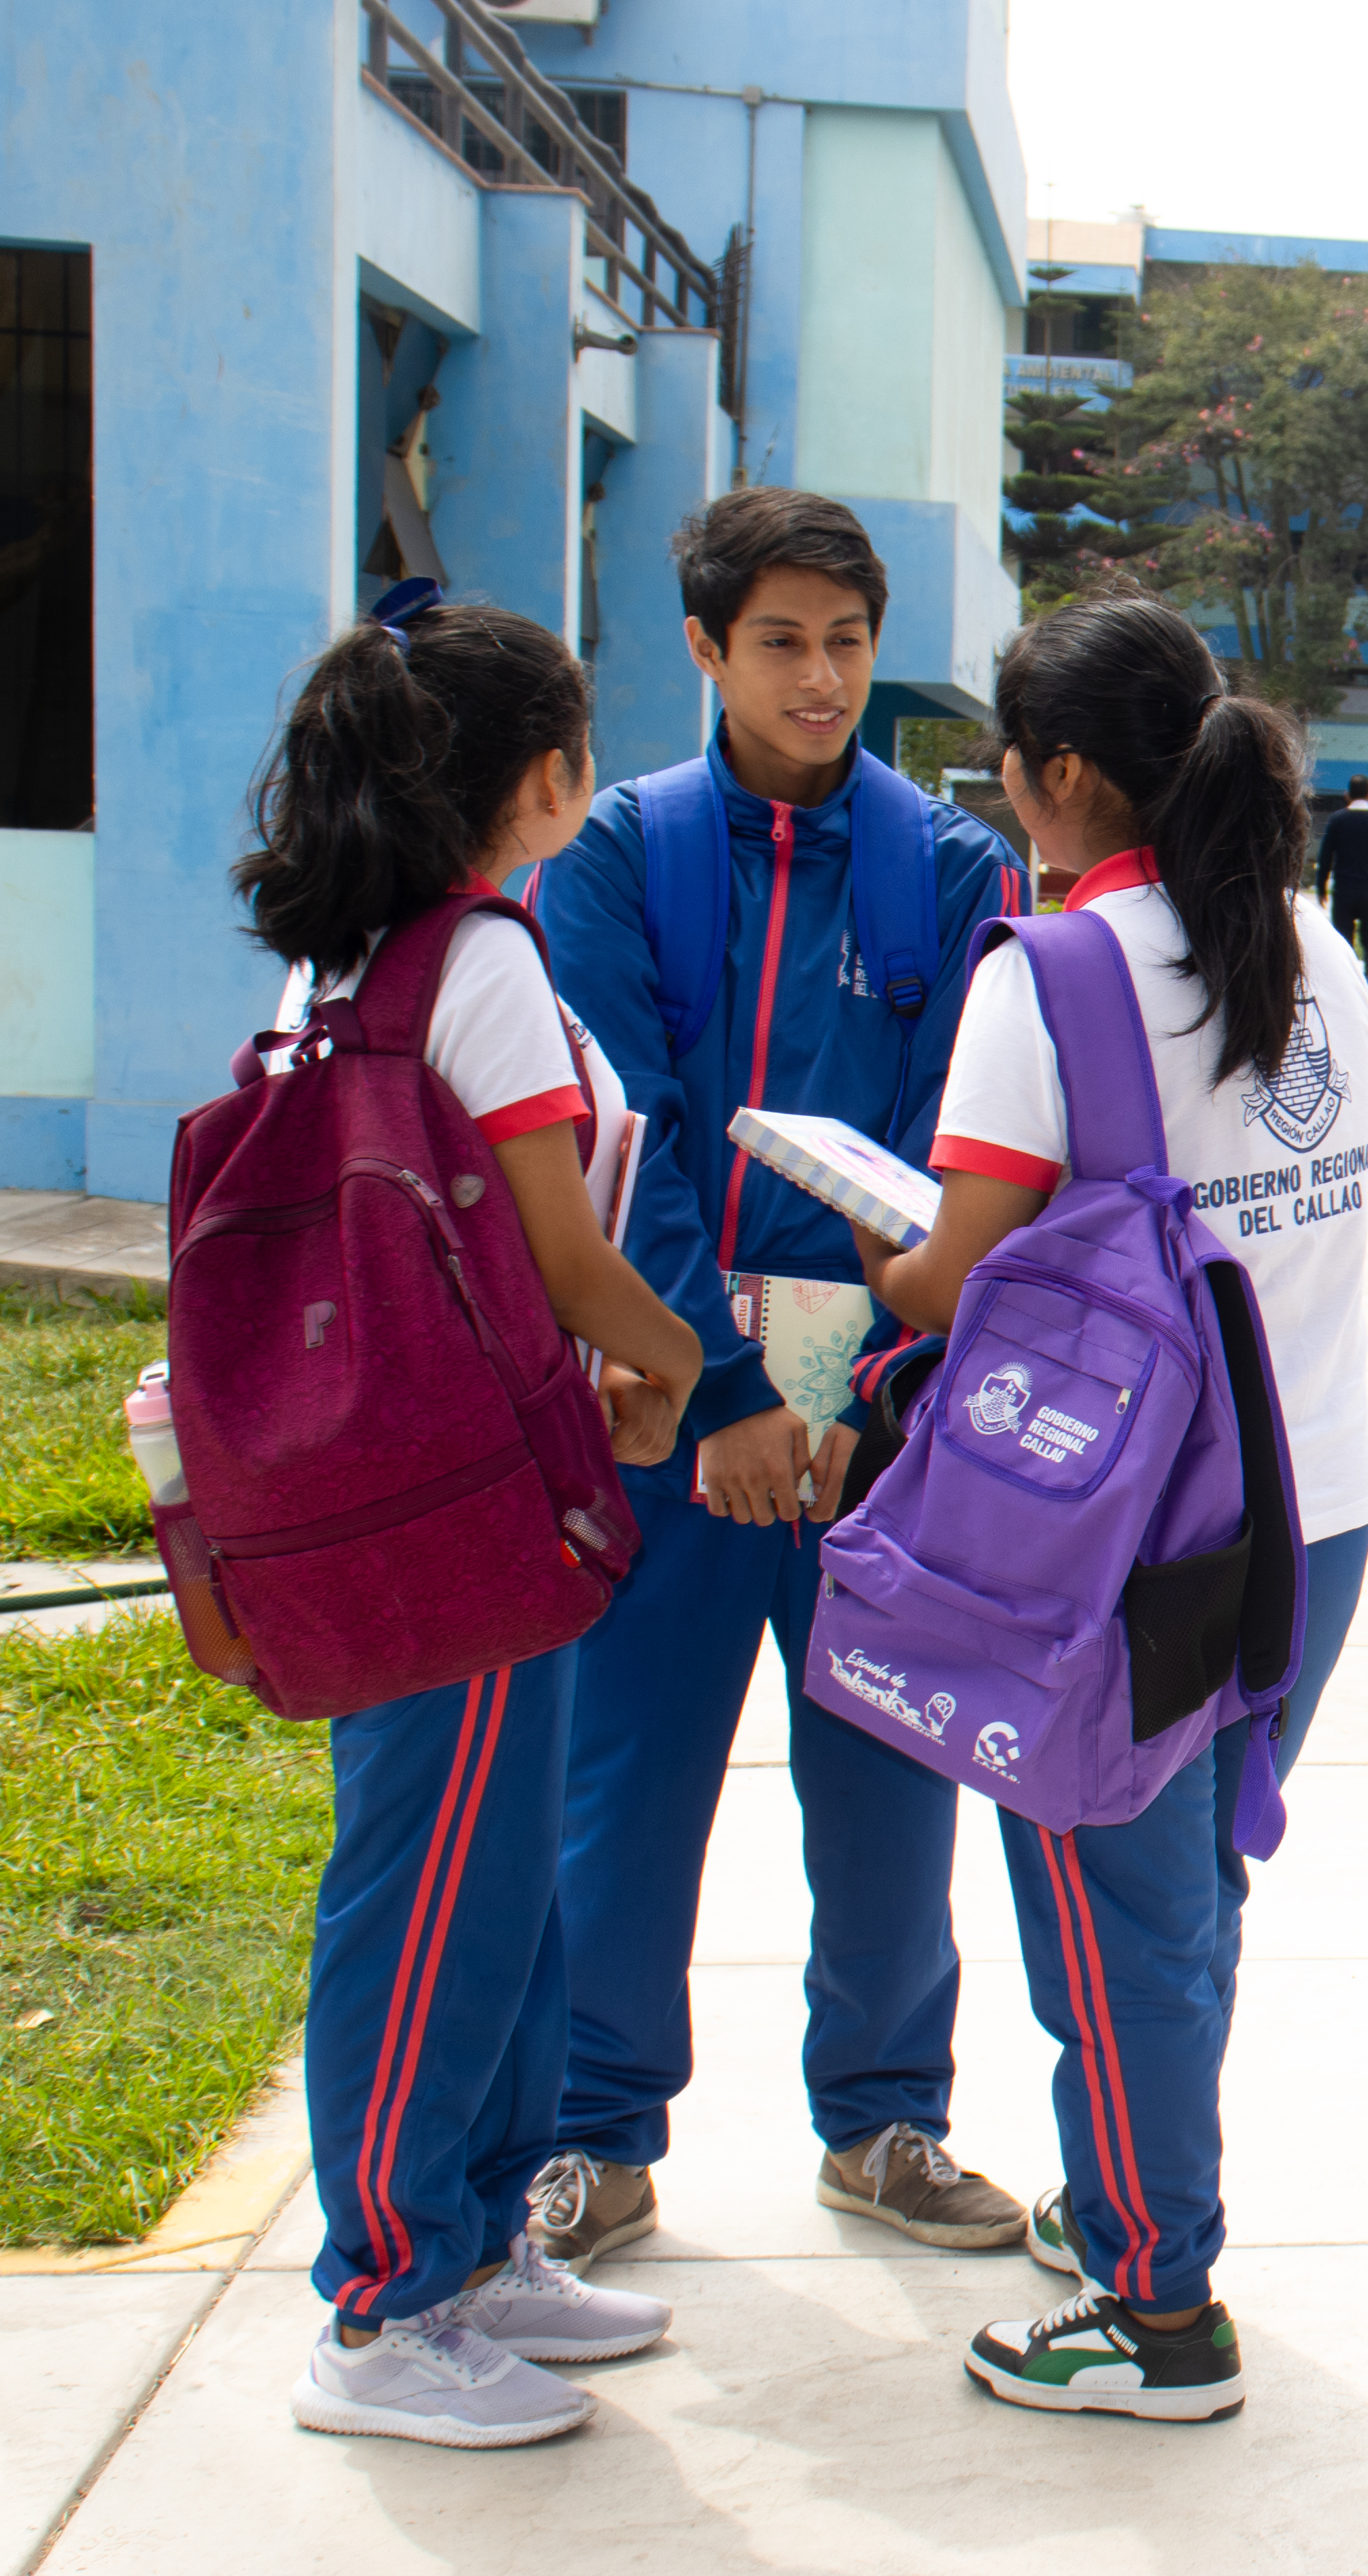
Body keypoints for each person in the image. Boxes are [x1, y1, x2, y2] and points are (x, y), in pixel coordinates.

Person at [849, 594, 1368, 2421]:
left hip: (1137, 1545)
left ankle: (1159, 2310)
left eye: (1011, 769)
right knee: (1184, 1896)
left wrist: (878, 1243)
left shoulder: (1054, 974)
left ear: (1061, 776)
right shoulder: (1312, 942)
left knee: (1110, 1923)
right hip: (1318, 1519)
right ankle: (1140, 2212)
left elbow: (955, 1286)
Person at [515, 489, 1033, 2269]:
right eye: (782, 643)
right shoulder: (617, 858)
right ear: (704, 650)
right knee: (628, 1769)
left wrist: (855, 1387)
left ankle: (885, 2120)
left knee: (889, 1766)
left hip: (870, 1412)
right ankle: (594, 2136)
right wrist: (723, 1389)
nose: (821, 679)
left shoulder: (954, 871)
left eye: (847, 642)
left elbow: (954, 1153)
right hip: (664, 1396)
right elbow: (621, 1136)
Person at [235, 592, 712, 2447]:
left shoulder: (353, 958)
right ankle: (384, 2305)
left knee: (489, 1878)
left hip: (418, 1481)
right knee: (433, 1889)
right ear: (545, 782)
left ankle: (481, 2238)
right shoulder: (480, 960)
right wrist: (681, 1372)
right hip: (466, 1502)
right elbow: (563, 1248)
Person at [1315, 773, 1368, 981]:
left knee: (1344, 944)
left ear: (1347, 796)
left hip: (1344, 891)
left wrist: (1321, 887)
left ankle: (1352, 984)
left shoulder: (1337, 820)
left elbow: (1325, 857)